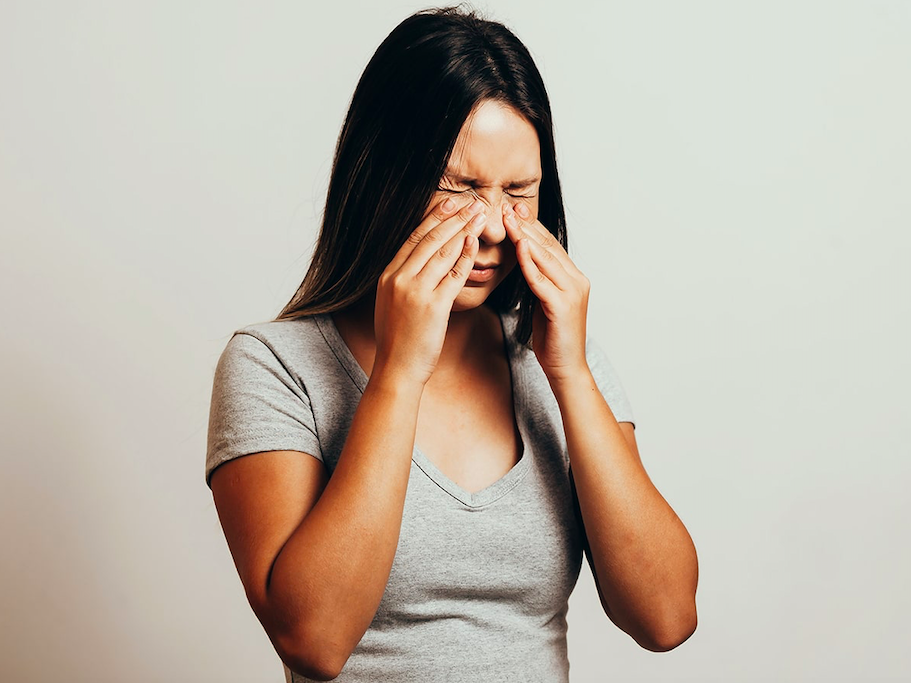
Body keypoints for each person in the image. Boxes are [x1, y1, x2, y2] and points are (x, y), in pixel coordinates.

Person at [205, 7, 698, 682]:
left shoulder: (559, 364)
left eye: (518, 191)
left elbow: (665, 615)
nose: (495, 226)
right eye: (460, 188)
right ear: (383, 178)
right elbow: (313, 639)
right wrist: (399, 373)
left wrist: (571, 374)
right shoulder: (273, 366)